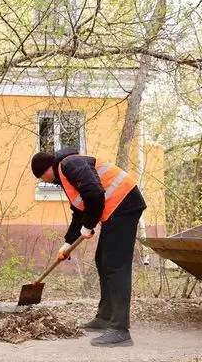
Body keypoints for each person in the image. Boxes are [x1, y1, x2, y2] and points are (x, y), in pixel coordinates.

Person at [30, 147, 146, 347]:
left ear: (48, 169)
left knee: (115, 265)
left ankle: (120, 330)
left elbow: (94, 194)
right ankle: (105, 317)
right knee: (103, 261)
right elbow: (79, 210)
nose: (45, 182)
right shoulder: (66, 175)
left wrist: (88, 226)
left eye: (42, 177)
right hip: (116, 210)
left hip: (125, 205)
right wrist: (68, 242)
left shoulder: (69, 164)